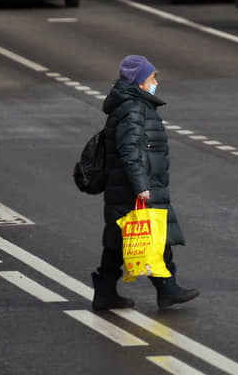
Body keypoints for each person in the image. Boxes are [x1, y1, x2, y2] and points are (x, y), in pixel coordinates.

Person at [91, 55, 199, 310]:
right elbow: (130, 151)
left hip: (131, 187)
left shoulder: (135, 106)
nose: (156, 82)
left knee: (122, 241)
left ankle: (109, 291)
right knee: (152, 235)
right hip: (134, 188)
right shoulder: (133, 109)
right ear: (140, 82)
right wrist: (141, 186)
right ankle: (166, 287)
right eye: (153, 77)